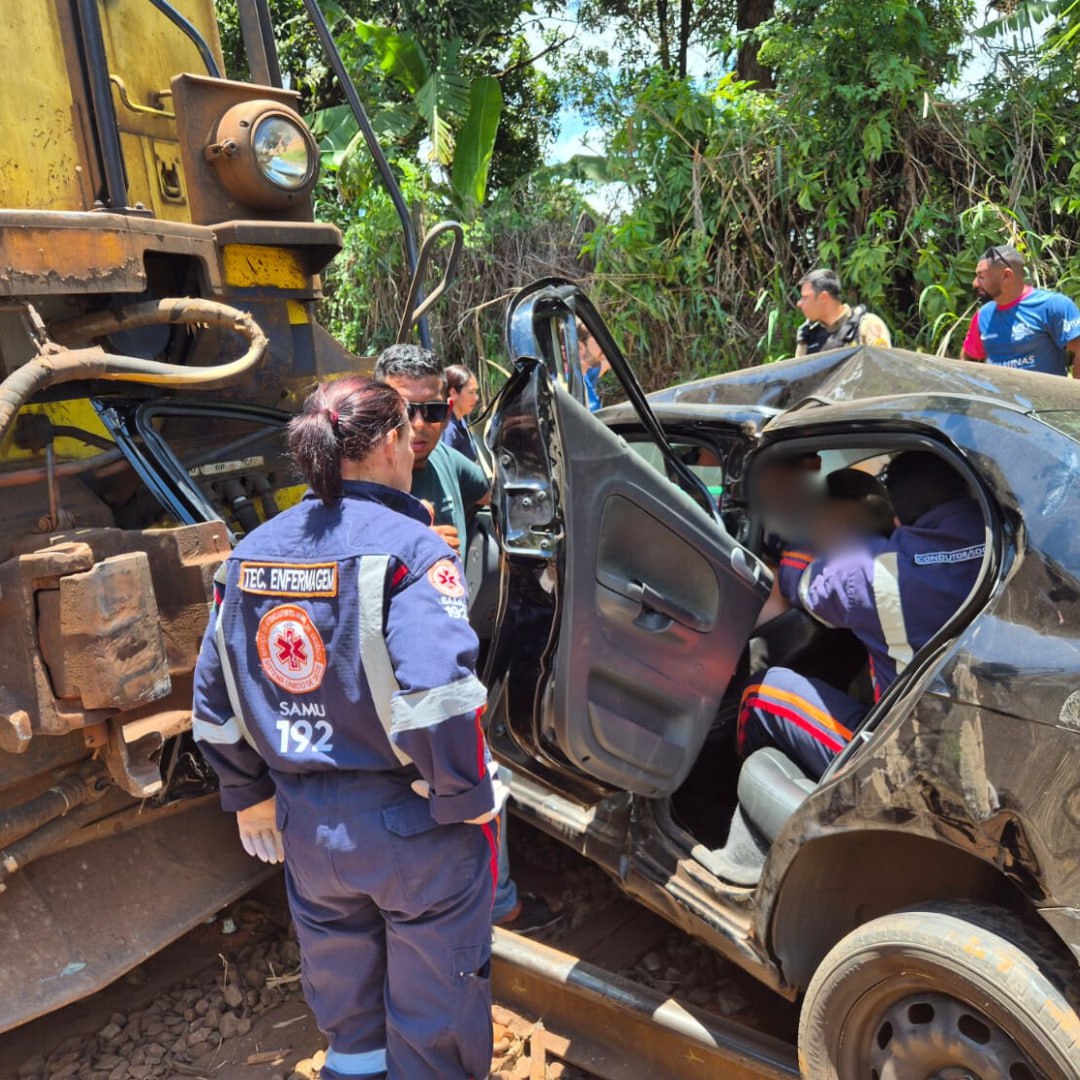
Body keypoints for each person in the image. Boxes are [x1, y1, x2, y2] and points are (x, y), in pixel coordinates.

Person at [191, 377, 503, 1080]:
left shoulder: (248, 555)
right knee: (435, 1007)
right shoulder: (414, 550)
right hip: (414, 825)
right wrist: (465, 791)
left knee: (347, 1010)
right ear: (392, 442)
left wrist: (247, 793)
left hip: (306, 828)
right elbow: (442, 698)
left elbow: (213, 697)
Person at [374, 344, 559, 935]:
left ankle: (494, 902)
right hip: (392, 670)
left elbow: (488, 498)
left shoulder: (451, 465)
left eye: (434, 411)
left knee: (476, 784)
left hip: (456, 660)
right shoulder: (356, 484)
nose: (422, 427)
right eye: (407, 412)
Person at [738, 451, 984, 780]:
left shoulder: (873, 571)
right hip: (986, 739)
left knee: (759, 691)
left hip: (906, 762)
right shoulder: (1015, 545)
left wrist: (811, 536)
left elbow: (797, 579)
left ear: (896, 517)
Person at [373, 345, 488, 558]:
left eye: (433, 411)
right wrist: (413, 546)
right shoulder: (358, 479)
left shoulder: (445, 459)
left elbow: (495, 495)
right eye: (404, 410)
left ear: (447, 413)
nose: (418, 424)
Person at [961, 244, 1080, 376]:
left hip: (1042, 396)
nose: (975, 283)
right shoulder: (983, 315)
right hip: (998, 396)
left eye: (982, 277)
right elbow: (968, 358)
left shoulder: (1052, 306)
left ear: (1006, 275)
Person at [794, 269, 892, 357]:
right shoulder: (808, 335)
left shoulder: (866, 325)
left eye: (805, 298)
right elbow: (800, 374)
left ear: (823, 297)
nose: (799, 303)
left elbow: (884, 369)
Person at [443, 364, 481, 462]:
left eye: (476, 392)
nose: (476, 398)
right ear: (453, 393)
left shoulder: (460, 420)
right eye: (471, 392)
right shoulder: (448, 430)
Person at [577, 322, 610, 412]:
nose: (604, 344)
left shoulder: (587, 376)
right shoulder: (566, 381)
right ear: (579, 345)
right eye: (597, 338)